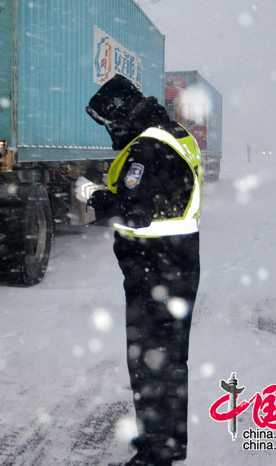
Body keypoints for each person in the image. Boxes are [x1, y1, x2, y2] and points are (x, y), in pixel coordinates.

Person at [76, 74, 201, 466]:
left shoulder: (148, 147)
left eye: (109, 122)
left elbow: (134, 210)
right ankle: (166, 440)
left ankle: (157, 451)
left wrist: (92, 194)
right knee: (168, 358)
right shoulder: (172, 133)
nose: (110, 131)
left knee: (152, 361)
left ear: (120, 114)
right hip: (174, 263)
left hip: (156, 269)